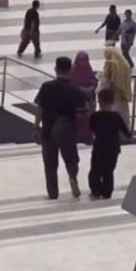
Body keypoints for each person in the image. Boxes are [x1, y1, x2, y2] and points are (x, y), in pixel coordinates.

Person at [33, 56, 83, 200]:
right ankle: (72, 176)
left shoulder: (47, 87)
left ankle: (53, 193)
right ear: (71, 69)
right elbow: (81, 113)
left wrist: (36, 128)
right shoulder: (75, 90)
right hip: (67, 130)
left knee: (50, 165)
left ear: (55, 69)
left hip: (48, 130)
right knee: (71, 160)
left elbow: (40, 109)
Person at [88, 88, 132, 200]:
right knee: (109, 171)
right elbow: (126, 132)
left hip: (99, 146)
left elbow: (91, 129)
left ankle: (96, 190)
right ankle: (107, 192)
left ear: (99, 101)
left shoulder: (95, 116)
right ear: (113, 101)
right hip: (113, 148)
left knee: (95, 170)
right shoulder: (116, 117)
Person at [70, 51, 99, 144]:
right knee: (79, 117)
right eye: (82, 60)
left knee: (88, 117)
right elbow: (71, 83)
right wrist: (81, 88)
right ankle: (78, 135)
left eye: (86, 60)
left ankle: (88, 135)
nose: (84, 62)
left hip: (88, 98)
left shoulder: (88, 69)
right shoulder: (73, 71)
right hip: (77, 99)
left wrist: (92, 85)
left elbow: (92, 79)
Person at [100, 46, 133, 126]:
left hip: (110, 100)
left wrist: (101, 76)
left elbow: (105, 83)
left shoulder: (111, 64)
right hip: (122, 98)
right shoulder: (124, 65)